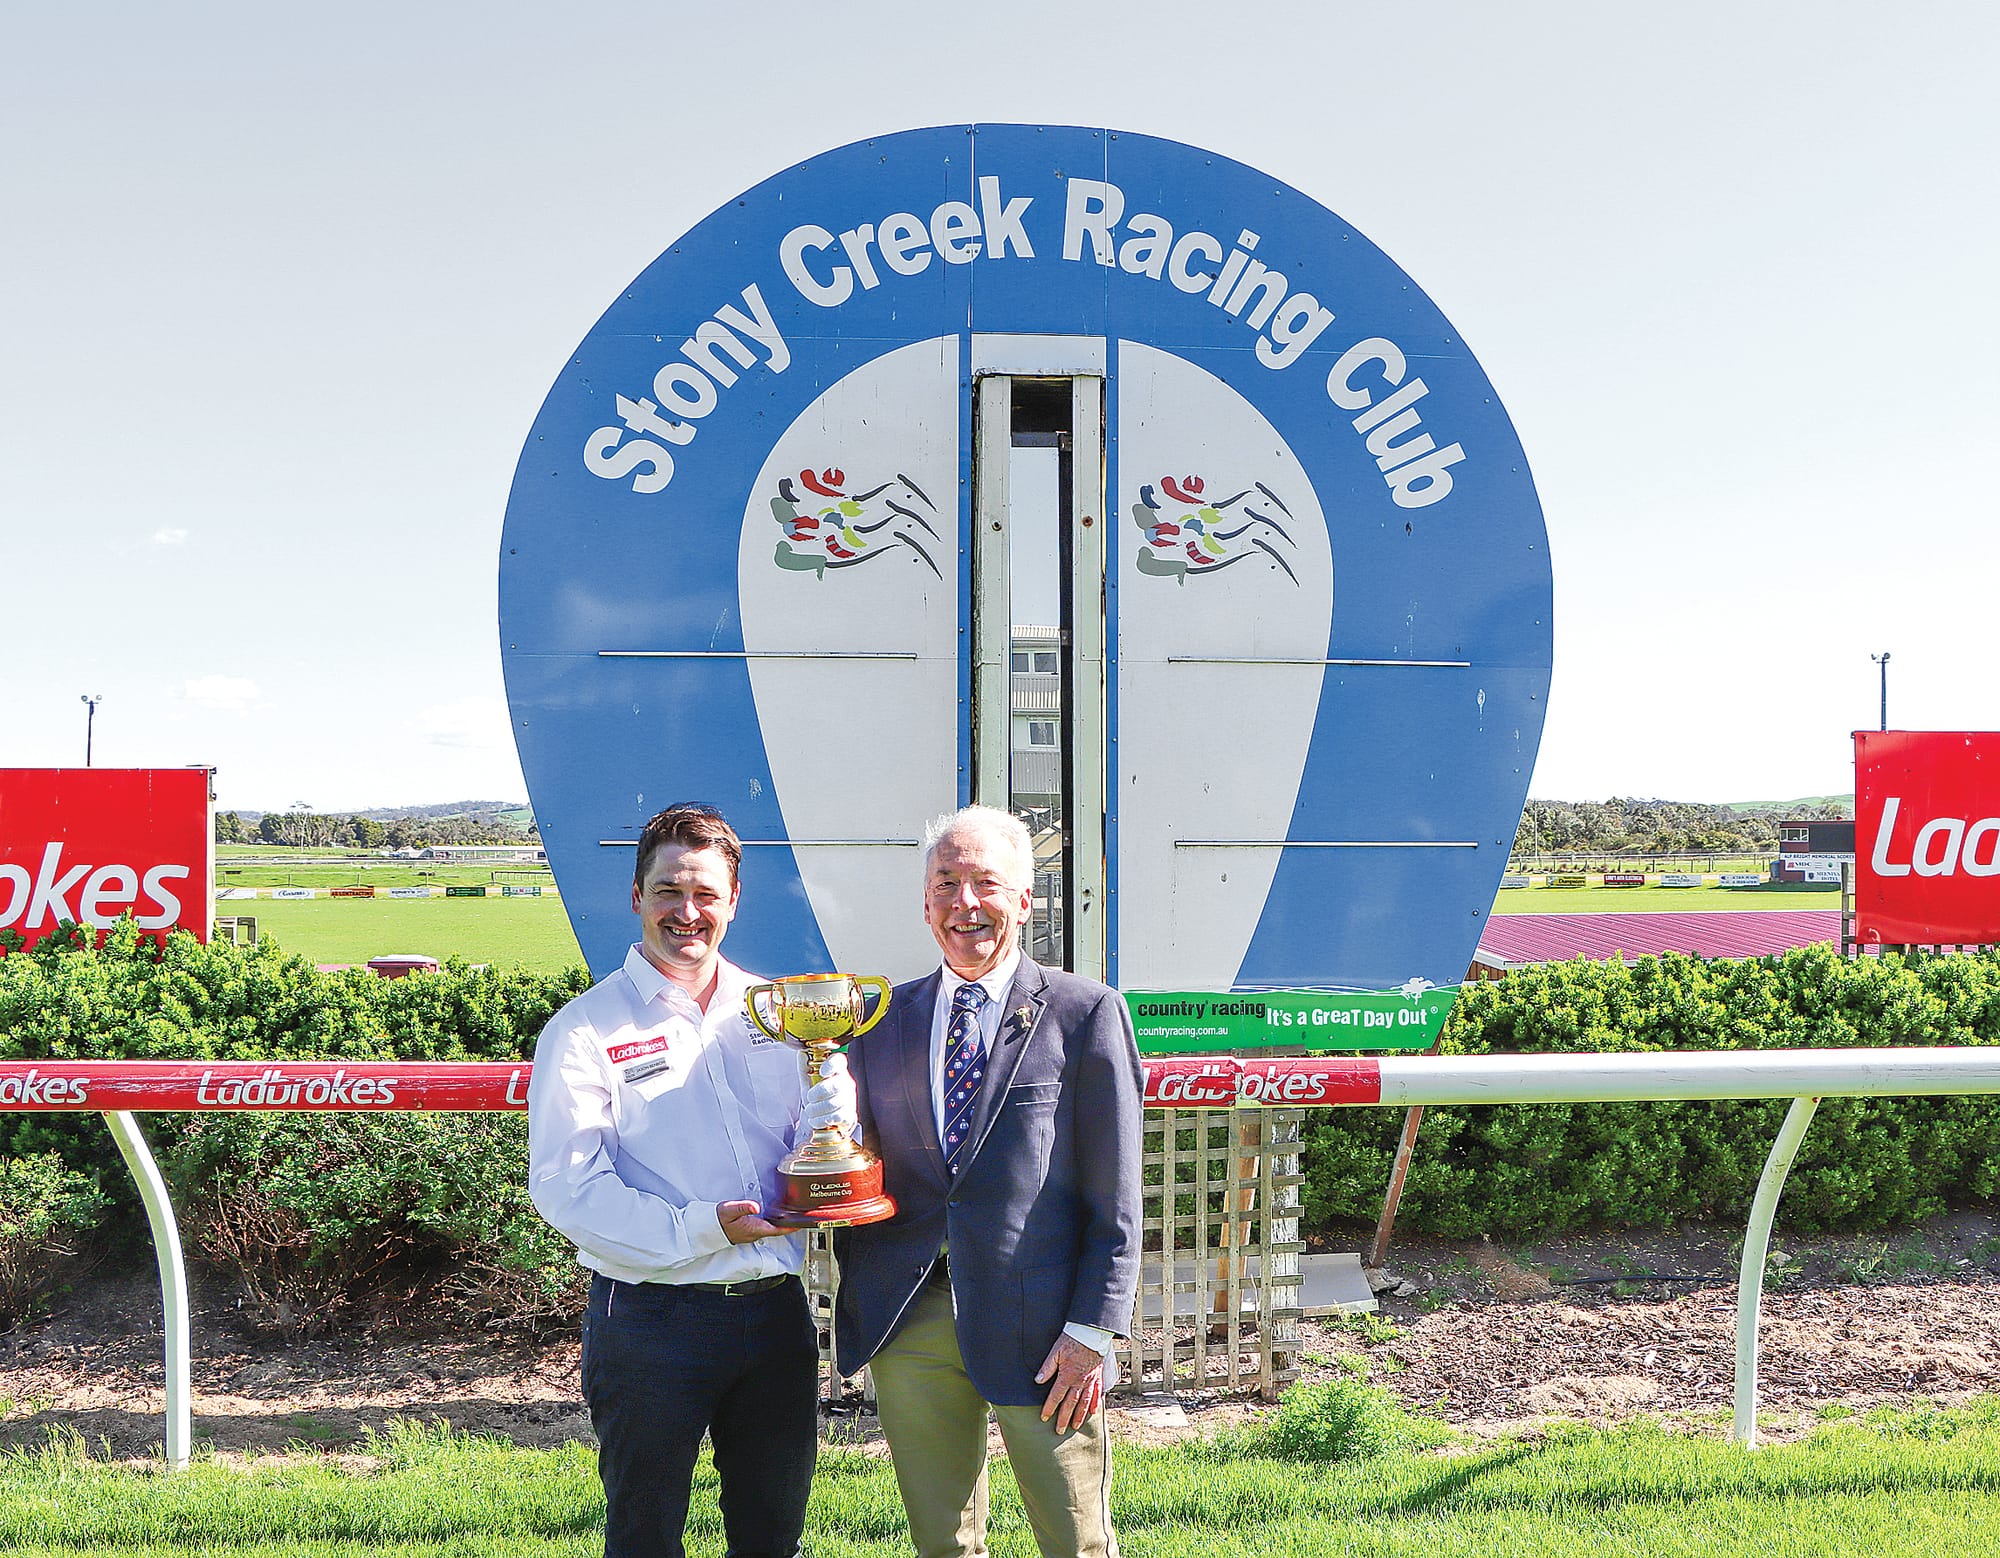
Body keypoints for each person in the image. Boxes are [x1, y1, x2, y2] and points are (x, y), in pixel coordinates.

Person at [527, 802, 855, 1558]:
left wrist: (837, 1119)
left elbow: (814, 1149)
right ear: (637, 896)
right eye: (670, 890)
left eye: (706, 894)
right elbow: (568, 1187)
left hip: (775, 1316)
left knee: (772, 1538)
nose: (687, 911)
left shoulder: (779, 1012)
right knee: (644, 1539)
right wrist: (706, 1227)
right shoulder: (585, 1029)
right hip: (646, 1323)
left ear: (733, 901)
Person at [834, 804, 1144, 1558]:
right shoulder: (879, 1019)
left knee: (1077, 1542)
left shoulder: (1085, 1013)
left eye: (985, 884)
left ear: (1024, 900)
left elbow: (1119, 1194)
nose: (964, 904)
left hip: (1046, 1328)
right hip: (910, 1316)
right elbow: (858, 1153)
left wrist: (1092, 1330)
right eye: (947, 883)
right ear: (925, 901)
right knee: (943, 1544)